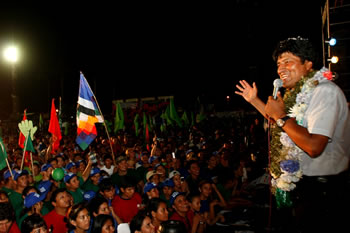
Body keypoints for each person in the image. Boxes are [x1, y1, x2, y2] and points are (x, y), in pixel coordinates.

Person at [235, 36, 350, 232]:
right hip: (308, 188)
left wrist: (281, 117)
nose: (281, 69)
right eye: (279, 64)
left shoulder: (324, 92)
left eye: (288, 61)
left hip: (327, 190)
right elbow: (285, 123)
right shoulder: (300, 94)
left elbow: (313, 146)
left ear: (308, 64)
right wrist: (254, 100)